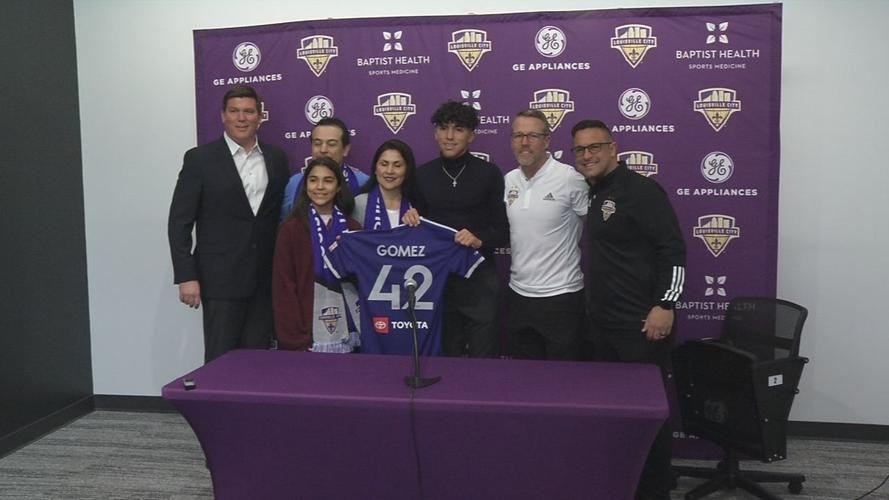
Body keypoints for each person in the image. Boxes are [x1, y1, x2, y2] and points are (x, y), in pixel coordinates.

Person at [572, 119, 686, 500]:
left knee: (650, 417)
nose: (587, 155)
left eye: (595, 147)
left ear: (613, 147)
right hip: (603, 324)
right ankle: (621, 484)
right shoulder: (594, 190)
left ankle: (654, 491)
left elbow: (673, 249)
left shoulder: (641, 190)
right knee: (615, 413)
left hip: (642, 325)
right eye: (580, 150)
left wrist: (665, 305)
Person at [168, 85, 290, 363]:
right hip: (219, 279)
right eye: (234, 111)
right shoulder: (199, 159)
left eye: (249, 111)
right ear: (223, 116)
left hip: (264, 277)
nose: (242, 118)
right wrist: (186, 276)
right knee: (220, 358)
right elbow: (179, 221)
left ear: (260, 117)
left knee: (258, 358)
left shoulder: (276, 158)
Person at [404, 101, 509, 358]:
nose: (449, 136)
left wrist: (478, 239)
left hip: (480, 283)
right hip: (439, 282)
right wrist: (410, 219)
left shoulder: (489, 173)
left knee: (485, 363)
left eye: (458, 129)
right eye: (443, 128)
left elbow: (503, 231)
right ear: (435, 132)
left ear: (472, 135)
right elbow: (418, 232)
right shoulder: (422, 175)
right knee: (447, 362)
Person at [503, 109, 589, 361]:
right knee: (525, 382)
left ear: (547, 140)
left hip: (561, 298)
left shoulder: (570, 179)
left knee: (565, 384)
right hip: (518, 295)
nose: (524, 142)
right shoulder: (509, 180)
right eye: (518, 135)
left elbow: (601, 230)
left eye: (532, 135)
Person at [272, 156, 361, 353]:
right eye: (313, 180)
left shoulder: (353, 229)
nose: (320, 187)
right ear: (305, 186)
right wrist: (296, 339)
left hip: (350, 334)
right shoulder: (291, 229)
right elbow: (284, 287)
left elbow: (363, 283)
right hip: (306, 338)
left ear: (338, 187)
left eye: (328, 180)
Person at [280, 117, 369, 221]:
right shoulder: (295, 183)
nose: (323, 150)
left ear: (345, 149)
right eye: (317, 143)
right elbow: (285, 225)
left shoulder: (362, 182)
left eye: (331, 144)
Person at [352, 139, 417, 229]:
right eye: (384, 164)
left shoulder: (417, 204)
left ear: (407, 170)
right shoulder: (359, 203)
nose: (389, 171)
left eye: (397, 165)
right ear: (375, 168)